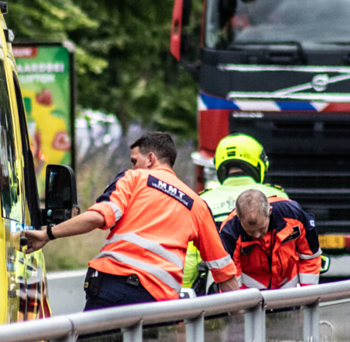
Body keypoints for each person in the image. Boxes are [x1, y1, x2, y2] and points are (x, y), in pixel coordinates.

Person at [23, 132, 240, 309]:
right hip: (160, 302)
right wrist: (242, 321)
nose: (133, 166)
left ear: (151, 159)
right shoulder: (196, 204)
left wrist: (47, 234)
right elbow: (223, 269)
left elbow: (98, 216)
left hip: (114, 286)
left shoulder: (134, 178)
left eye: (135, 161)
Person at [183, 134, 286, 294]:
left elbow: (191, 258)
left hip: (221, 293)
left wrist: (185, 291)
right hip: (273, 293)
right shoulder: (277, 196)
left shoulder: (203, 200)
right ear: (259, 163)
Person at [219, 189, 322, 290]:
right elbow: (229, 276)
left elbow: (310, 256)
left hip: (288, 288)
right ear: (239, 219)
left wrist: (308, 295)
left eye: (261, 228)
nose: (257, 235)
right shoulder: (230, 233)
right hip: (250, 293)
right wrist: (240, 304)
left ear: (269, 212)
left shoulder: (294, 215)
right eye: (250, 231)